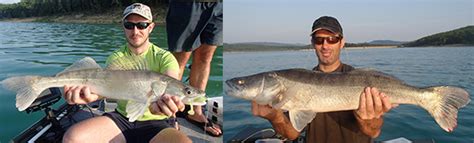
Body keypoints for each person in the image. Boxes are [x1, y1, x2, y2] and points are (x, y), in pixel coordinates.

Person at [252, 16, 398, 143]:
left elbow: (373, 133)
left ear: (341, 42)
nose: (325, 45)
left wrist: (366, 118)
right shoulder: (298, 81)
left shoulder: (359, 78)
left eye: (332, 39)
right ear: (313, 43)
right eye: (319, 39)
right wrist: (275, 117)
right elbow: (292, 134)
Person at [62, 3, 191, 143]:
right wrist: (88, 97)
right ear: (123, 26)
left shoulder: (165, 57)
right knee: (72, 139)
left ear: (151, 27)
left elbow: (171, 84)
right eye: (129, 25)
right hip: (122, 118)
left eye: (142, 25)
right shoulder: (116, 57)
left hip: (158, 123)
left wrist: (160, 106)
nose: (135, 31)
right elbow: (108, 88)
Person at [165, 0, 223, 137]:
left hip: (219, 5)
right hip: (188, 4)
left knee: (205, 57)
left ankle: (196, 111)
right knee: (179, 59)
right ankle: (170, 114)